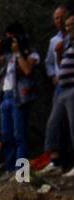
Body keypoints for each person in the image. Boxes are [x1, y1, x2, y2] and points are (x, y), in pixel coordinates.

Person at [0, 24, 41, 174]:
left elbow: (27, 70)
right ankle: (10, 171)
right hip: (5, 97)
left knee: (19, 136)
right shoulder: (7, 55)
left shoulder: (30, 52)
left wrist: (18, 53)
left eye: (12, 37)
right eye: (7, 37)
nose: (9, 40)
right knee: (7, 137)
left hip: (20, 98)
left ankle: (22, 172)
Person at [41, 11, 74, 176]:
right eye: (67, 25)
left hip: (72, 88)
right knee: (53, 123)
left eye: (70, 25)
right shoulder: (63, 43)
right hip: (62, 87)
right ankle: (55, 162)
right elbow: (56, 64)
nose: (68, 27)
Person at [48, 6, 70, 84]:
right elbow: (49, 62)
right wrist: (53, 75)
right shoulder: (53, 41)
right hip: (60, 84)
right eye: (57, 18)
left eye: (62, 17)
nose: (60, 21)